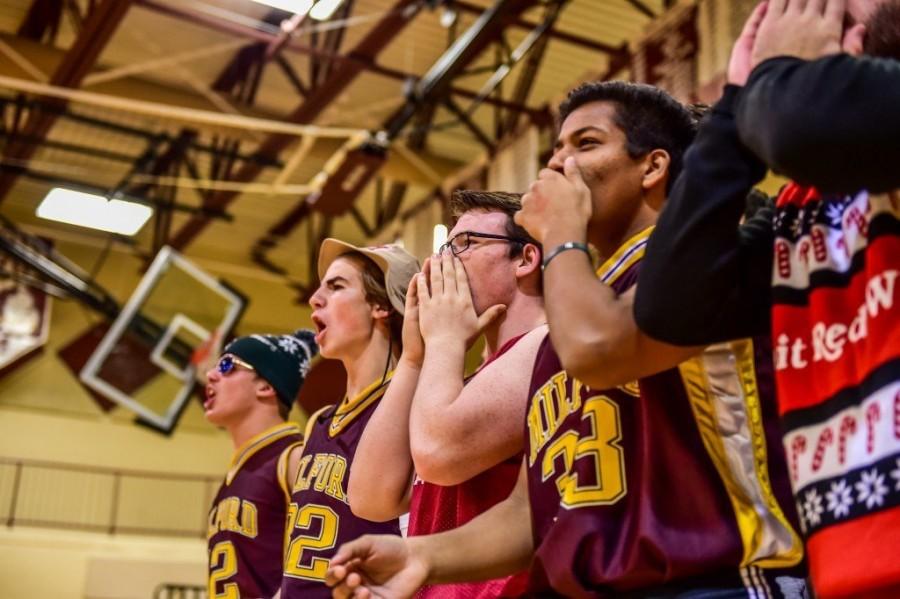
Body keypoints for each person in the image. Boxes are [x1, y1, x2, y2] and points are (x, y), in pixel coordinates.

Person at [325, 81, 807, 598]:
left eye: (586, 144)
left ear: (653, 167)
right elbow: (539, 507)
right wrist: (424, 554)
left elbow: (598, 351)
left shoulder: (691, 273)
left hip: (721, 581)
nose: (558, 165)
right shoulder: (572, 327)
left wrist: (560, 236)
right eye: (555, 149)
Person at [633, 1, 900, 596]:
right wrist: (730, 114)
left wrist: (774, 72)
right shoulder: (800, 208)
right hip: (848, 574)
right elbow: (671, 309)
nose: (807, 11)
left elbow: (805, 123)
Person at [347, 190, 546, 598]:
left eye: (465, 244)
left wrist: (443, 341)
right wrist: (414, 359)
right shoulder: (464, 376)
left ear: (526, 259)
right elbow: (370, 496)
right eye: (445, 247)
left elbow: (440, 453)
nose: (443, 262)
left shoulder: (546, 345)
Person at [280, 240, 419, 598]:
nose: (315, 298)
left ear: (381, 306)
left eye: (336, 286)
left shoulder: (414, 408)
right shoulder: (320, 422)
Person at [204, 330, 317, 599]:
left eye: (227, 365)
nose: (211, 374)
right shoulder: (239, 469)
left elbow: (322, 563)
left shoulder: (295, 457)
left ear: (266, 386)